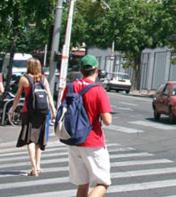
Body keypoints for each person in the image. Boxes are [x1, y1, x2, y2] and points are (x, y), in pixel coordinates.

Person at [64, 55, 113, 197]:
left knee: (82, 183)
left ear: (81, 70)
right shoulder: (98, 90)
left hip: (73, 140)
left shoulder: (71, 87)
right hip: (92, 141)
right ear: (96, 70)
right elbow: (107, 120)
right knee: (103, 183)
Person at [7, 58, 56, 176]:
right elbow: (49, 95)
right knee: (39, 140)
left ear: (29, 66)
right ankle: (38, 166)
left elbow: (18, 96)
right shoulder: (43, 79)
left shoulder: (24, 79)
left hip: (28, 112)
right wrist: (53, 110)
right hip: (42, 112)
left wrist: (12, 109)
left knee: (30, 140)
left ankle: (33, 168)